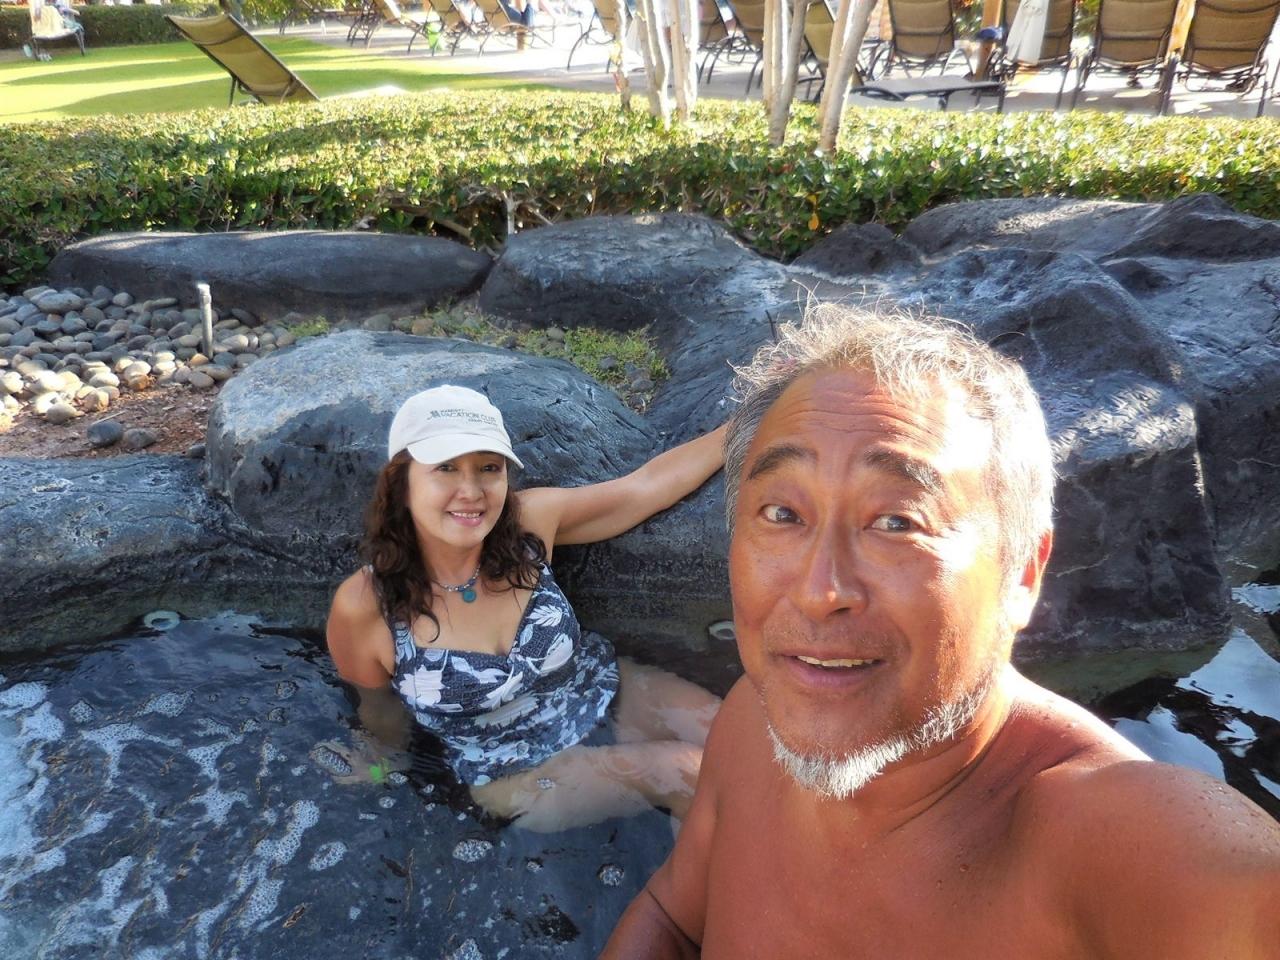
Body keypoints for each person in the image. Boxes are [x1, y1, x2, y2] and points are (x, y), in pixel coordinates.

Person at [602, 304, 1280, 958]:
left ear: (1022, 574)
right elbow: (673, 916)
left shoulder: (1108, 842)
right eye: (782, 513)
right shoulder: (754, 721)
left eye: (896, 522)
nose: (819, 591)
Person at [326, 384, 724, 831]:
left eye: (488, 468)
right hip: (513, 775)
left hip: (600, 688)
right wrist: (379, 767)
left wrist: (752, 423)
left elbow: (644, 488)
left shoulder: (528, 527)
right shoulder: (367, 605)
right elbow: (380, 712)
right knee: (686, 772)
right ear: (401, 483)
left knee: (743, 743)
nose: (471, 491)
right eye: (446, 468)